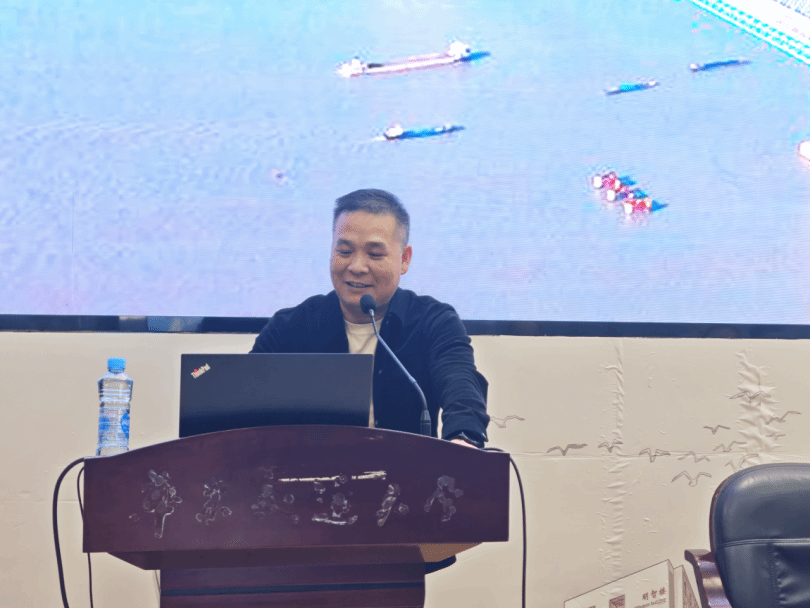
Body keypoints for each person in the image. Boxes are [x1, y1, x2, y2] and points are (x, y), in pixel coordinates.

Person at [250, 188, 489, 448]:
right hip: (311, 471)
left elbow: (461, 387)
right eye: (344, 251)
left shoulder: (433, 321)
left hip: (406, 470)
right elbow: (243, 404)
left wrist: (463, 437)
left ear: (404, 259)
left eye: (374, 254)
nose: (356, 267)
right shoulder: (290, 327)